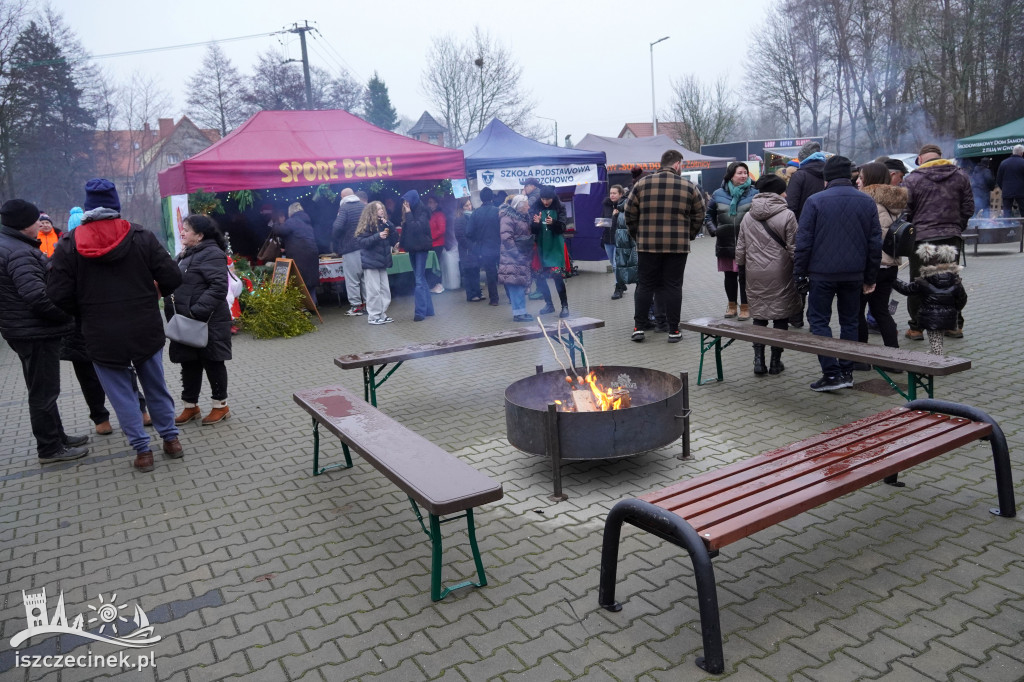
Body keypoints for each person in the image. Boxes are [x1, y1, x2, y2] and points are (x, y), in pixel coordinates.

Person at [47, 178, 183, 473]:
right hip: (144, 326)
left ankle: (142, 451)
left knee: (121, 394)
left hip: (99, 332)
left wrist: (84, 310)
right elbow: (172, 277)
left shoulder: (68, 244)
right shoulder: (141, 236)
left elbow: (57, 294)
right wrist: (152, 292)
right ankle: (171, 440)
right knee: (155, 385)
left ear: (87, 207)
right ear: (115, 205)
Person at [1, 199, 88, 463]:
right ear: (24, 224)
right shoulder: (18, 251)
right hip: (35, 331)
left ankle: (57, 436)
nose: (41, 223)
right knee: (44, 391)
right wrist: (66, 315)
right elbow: (37, 296)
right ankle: (50, 448)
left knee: (41, 388)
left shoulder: (10, 245)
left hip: (22, 329)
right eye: (36, 219)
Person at [794, 156, 882, 392]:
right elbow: (875, 243)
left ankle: (831, 373)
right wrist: (870, 277)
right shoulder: (866, 202)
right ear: (851, 175)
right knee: (850, 321)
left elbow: (803, 241)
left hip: (821, 273)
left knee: (819, 321)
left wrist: (799, 273)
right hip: (854, 274)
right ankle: (846, 371)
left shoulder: (814, 201)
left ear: (826, 177)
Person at [624, 149, 706, 343]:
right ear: (677, 164)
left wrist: (638, 235)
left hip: (647, 245)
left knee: (645, 285)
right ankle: (674, 330)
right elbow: (700, 214)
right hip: (677, 246)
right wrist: (689, 235)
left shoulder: (641, 184)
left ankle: (638, 328)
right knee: (673, 286)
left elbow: (629, 213)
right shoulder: (689, 186)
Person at [164, 214, 232, 426]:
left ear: (200, 235)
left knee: (213, 362)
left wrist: (196, 312)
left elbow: (219, 287)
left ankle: (221, 406)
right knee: (189, 363)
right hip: (186, 322)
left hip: (206, 321)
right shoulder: (186, 253)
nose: (182, 232)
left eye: (186, 229)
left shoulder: (211, 253)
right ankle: (190, 406)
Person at [902, 143, 973, 340]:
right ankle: (954, 326)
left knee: (919, 282)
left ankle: (916, 328)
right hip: (951, 237)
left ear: (921, 158)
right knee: (950, 282)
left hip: (922, 239)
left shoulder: (912, 179)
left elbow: (905, 211)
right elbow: (968, 208)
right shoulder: (960, 176)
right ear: (940, 156)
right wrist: (957, 227)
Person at [735, 175, 799, 376]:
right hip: (781, 272)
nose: (786, 194)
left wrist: (742, 266)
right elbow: (794, 248)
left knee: (760, 315)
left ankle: (758, 361)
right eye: (784, 190)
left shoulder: (748, 215)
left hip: (754, 273)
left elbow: (741, 248)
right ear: (778, 193)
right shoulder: (787, 215)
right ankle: (775, 362)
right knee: (780, 315)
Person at [856, 161, 905, 360]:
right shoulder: (892, 201)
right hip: (889, 265)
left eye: (860, 177)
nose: (857, 181)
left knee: (857, 311)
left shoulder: (868, 203)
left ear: (870, 179)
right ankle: (893, 358)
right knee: (881, 311)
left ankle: (862, 358)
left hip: (872, 266)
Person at [892, 244, 967, 356]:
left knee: (935, 339)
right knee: (938, 337)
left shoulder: (924, 281)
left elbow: (907, 289)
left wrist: (893, 280)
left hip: (931, 316)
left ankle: (937, 360)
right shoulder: (955, 279)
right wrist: (955, 309)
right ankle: (935, 352)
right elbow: (962, 298)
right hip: (949, 315)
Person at [706, 161, 758, 320]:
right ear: (730, 175)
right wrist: (714, 231)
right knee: (729, 276)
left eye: (745, 173)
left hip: (747, 243)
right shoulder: (718, 193)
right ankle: (731, 305)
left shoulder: (755, 193)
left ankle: (745, 307)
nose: (743, 176)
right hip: (725, 241)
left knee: (744, 277)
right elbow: (709, 216)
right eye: (739, 173)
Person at [354, 201, 399, 324]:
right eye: (378, 209)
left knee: (385, 290)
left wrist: (389, 224)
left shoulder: (383, 223)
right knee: (373, 291)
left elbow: (394, 239)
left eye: (382, 208)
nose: (381, 211)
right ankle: (373, 316)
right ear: (372, 212)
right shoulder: (367, 225)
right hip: (371, 262)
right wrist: (377, 236)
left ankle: (382, 314)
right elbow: (361, 242)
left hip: (382, 262)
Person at [531, 186, 570, 318]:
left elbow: (563, 227)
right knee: (539, 277)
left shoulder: (560, 207)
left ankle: (565, 306)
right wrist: (535, 224)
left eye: (548, 199)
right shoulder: (535, 207)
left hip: (554, 246)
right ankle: (549, 304)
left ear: (553, 198)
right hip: (541, 246)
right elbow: (533, 231)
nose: (545, 202)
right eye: (543, 199)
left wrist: (554, 223)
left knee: (557, 276)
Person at [399, 190, 434, 321]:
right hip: (412, 248)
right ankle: (429, 309)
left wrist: (408, 213)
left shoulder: (423, 211)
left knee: (419, 279)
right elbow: (406, 230)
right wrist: (400, 243)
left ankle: (420, 312)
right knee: (421, 278)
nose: (405, 204)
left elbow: (416, 229)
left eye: (407, 201)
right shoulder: (410, 211)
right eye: (404, 201)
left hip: (421, 248)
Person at [498, 194, 534, 322]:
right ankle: (518, 314)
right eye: (526, 205)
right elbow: (507, 238)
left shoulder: (522, 217)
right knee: (515, 285)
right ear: (519, 206)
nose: (529, 207)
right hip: (512, 257)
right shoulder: (508, 218)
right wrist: (517, 254)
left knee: (519, 284)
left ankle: (522, 312)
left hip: (519, 256)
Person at [332, 188, 366, 315]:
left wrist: (336, 240)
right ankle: (368, 304)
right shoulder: (363, 207)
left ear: (343, 197)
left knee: (352, 279)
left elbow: (337, 227)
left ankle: (356, 306)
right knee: (365, 278)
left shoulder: (344, 208)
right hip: (365, 247)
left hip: (350, 247)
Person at [278, 202, 320, 305]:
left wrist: (278, 223)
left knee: (300, 282)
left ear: (290, 212)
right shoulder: (307, 222)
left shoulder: (292, 221)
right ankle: (313, 304)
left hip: (300, 256)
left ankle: (303, 307)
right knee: (310, 282)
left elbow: (280, 231)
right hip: (312, 254)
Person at [467, 187, 501, 305]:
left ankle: (494, 299)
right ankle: (511, 297)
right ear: (492, 197)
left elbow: (469, 232)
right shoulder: (498, 211)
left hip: (485, 249)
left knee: (490, 274)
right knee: (504, 272)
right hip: (499, 246)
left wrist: (477, 239)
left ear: (481, 199)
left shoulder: (475, 213)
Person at [453, 197, 483, 302]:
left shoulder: (472, 216)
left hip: (474, 248)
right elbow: (460, 237)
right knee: (469, 273)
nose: (469, 207)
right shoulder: (459, 219)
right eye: (466, 205)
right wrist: (472, 246)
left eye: (470, 204)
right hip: (466, 250)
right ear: (461, 207)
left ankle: (478, 292)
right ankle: (471, 294)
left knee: (475, 271)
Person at [602, 185, 628, 300]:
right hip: (608, 239)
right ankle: (622, 284)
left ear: (621, 194)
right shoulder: (606, 205)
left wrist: (616, 216)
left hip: (619, 239)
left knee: (616, 265)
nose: (612, 195)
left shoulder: (625, 205)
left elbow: (626, 223)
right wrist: (601, 222)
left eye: (615, 193)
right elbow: (604, 221)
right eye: (611, 193)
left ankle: (618, 289)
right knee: (613, 265)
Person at [426, 195, 447, 294]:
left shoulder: (439, 215)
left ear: (436, 203)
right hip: (431, 244)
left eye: (431, 202)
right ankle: (433, 284)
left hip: (437, 244)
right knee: (432, 265)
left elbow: (441, 230)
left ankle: (438, 284)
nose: (429, 204)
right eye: (428, 202)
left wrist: (431, 238)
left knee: (436, 264)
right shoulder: (429, 215)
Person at [996, 144, 1024, 218]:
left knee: (1007, 213)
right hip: (1021, 192)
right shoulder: (1023, 162)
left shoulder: (1003, 163)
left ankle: (1006, 228)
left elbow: (998, 179)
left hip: (1007, 191)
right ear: (1021, 153)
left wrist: (1004, 188)